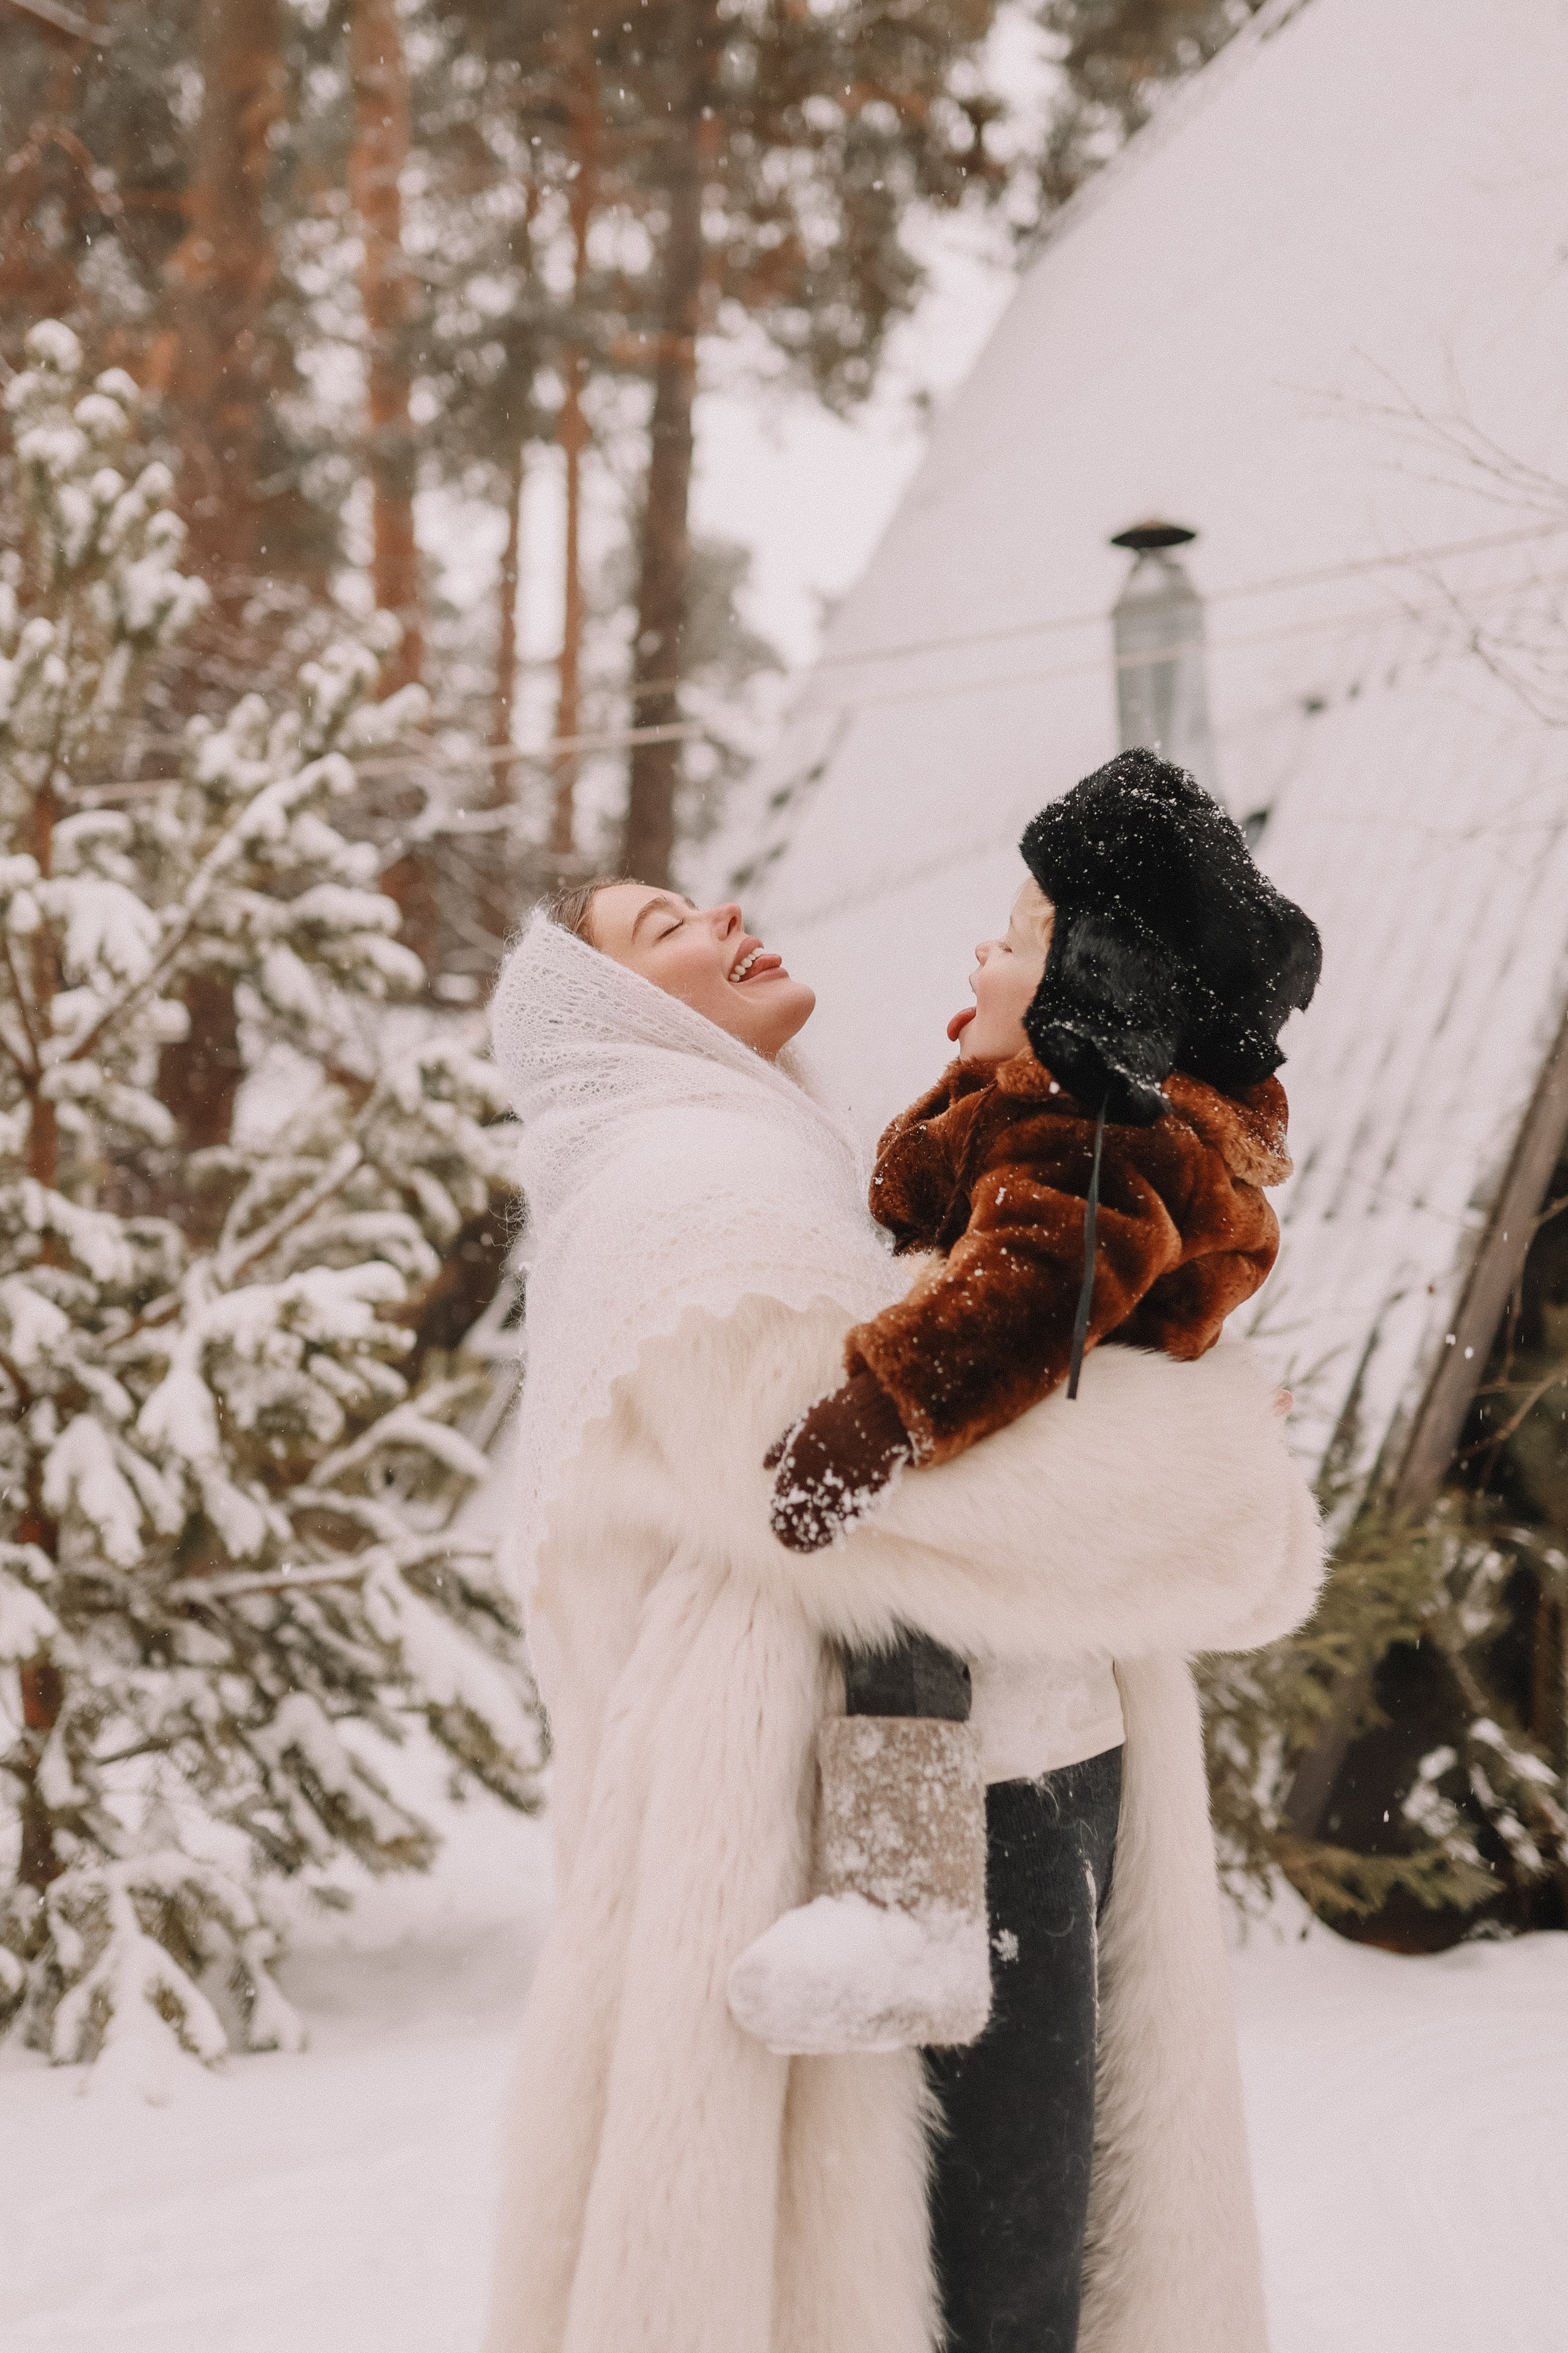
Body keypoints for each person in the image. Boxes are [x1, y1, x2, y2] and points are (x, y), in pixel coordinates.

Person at [483, 867, 1324, 2353]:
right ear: (606, 1011)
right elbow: (857, 1490)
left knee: (988, 2267)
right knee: (1000, 2288)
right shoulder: (690, 1191)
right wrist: (1223, 1474)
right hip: (938, 1803)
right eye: (659, 927)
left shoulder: (761, 1151)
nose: (717, 916)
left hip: (944, 1779)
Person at [734, 758, 1318, 2131]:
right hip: (1054, 1515)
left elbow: (1028, 1285)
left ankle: (904, 1909)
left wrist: (882, 1409)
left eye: (1008, 947)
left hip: (1019, 1507)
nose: (977, 962)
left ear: (1088, 991)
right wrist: (978, 1072)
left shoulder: (1094, 1136)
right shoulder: (1064, 1104)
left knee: (904, 1615)